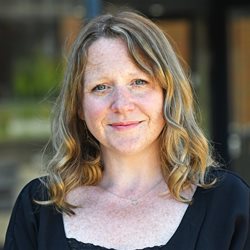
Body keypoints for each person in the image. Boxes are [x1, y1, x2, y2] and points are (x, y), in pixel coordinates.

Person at [3, 11, 249, 250]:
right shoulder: (39, 208)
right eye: (101, 87)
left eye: (139, 82)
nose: (121, 105)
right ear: (78, 106)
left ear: (168, 94)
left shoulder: (228, 205)